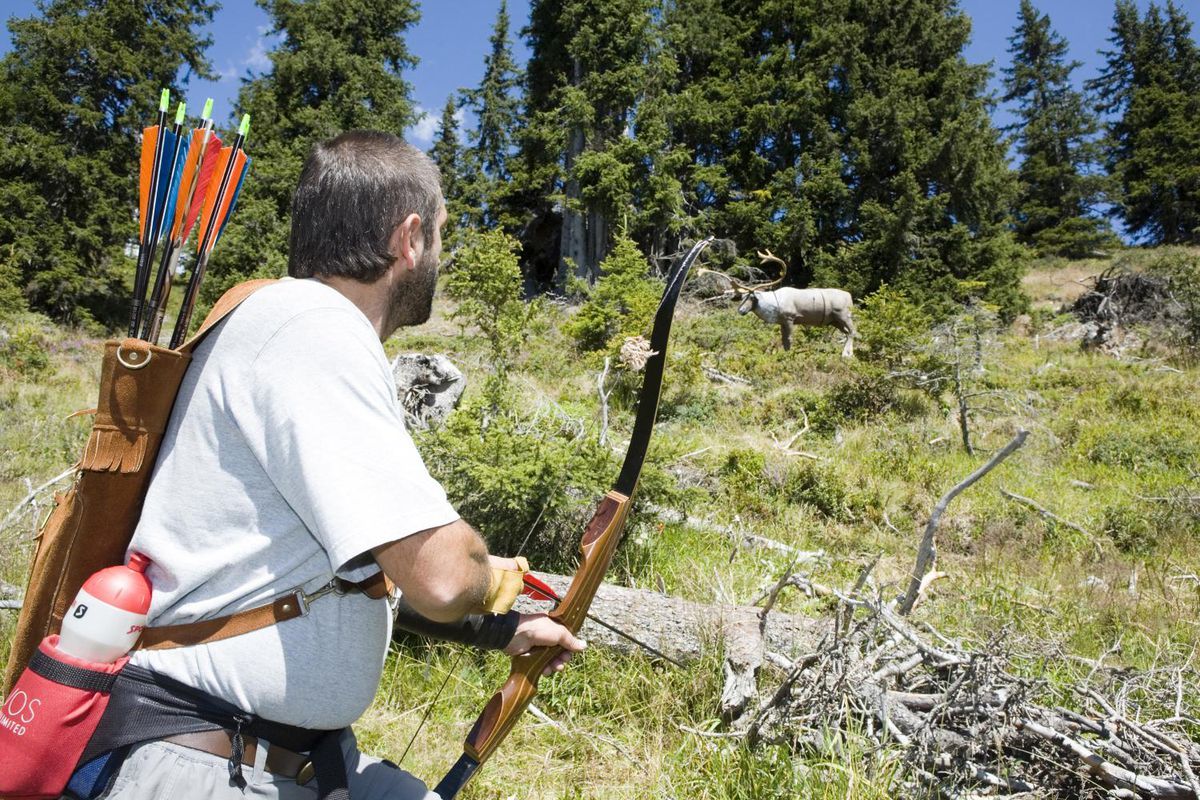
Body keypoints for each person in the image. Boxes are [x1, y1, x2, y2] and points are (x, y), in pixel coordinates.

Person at [88, 130, 584, 799]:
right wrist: (488, 579)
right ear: (408, 239)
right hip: (203, 766)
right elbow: (439, 574)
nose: (442, 254)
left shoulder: (288, 328)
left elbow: (344, 573)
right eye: (440, 234)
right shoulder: (314, 328)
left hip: (290, 758)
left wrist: (508, 627)